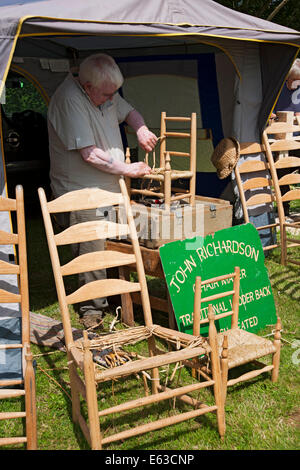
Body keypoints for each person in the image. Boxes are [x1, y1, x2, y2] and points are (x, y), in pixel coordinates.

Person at [47, 53, 157, 328]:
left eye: (114, 93)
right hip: (80, 190)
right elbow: (89, 154)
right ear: (87, 87)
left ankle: (117, 296)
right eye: (107, 94)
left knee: (115, 243)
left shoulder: (103, 90)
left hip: (109, 186)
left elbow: (128, 111)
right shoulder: (69, 100)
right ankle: (91, 310)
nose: (111, 99)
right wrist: (128, 169)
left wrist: (141, 128)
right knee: (91, 250)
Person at [272, 58, 300, 216]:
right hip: (282, 141)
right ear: (286, 78)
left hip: (298, 140)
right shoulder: (277, 88)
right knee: (281, 173)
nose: (296, 84)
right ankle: (285, 208)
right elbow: (271, 110)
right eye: (294, 80)